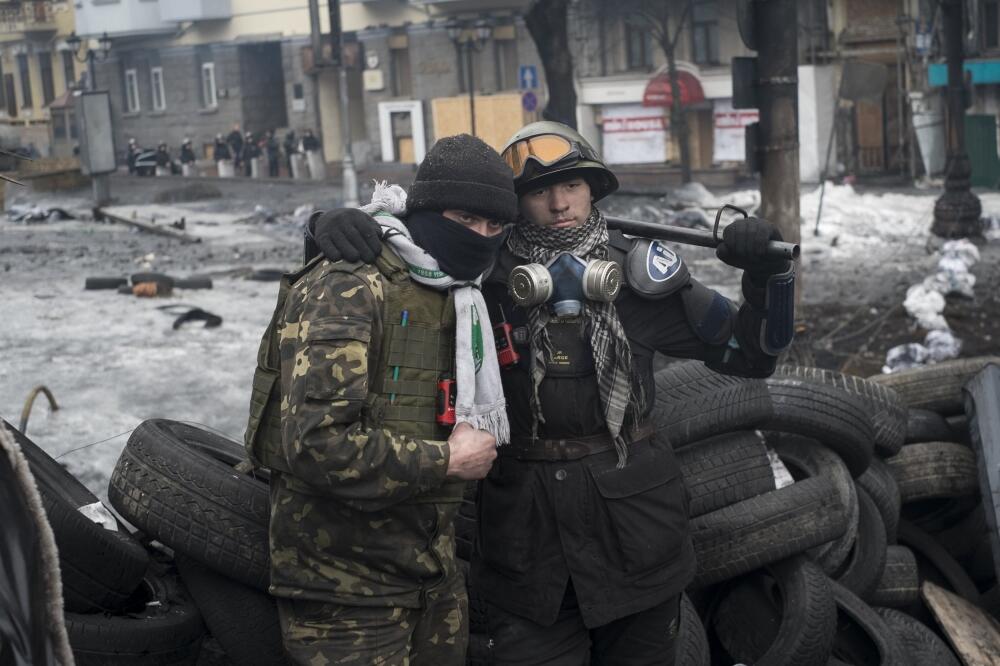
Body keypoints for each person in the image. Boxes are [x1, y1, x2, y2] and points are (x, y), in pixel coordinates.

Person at [312, 121, 795, 665]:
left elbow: (753, 355)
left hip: (637, 537)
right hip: (525, 546)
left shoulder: (640, 276)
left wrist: (768, 276)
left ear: (594, 190)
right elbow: (404, 247)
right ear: (515, 204)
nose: (560, 204)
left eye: (572, 186)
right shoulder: (475, 275)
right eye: (539, 191)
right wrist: (327, 227)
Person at [244, 134, 521, 665]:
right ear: (423, 214)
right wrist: (448, 460)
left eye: (494, 226)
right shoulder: (351, 285)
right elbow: (316, 444)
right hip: (345, 592)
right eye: (465, 219)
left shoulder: (462, 292)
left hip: (433, 579)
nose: (481, 237)